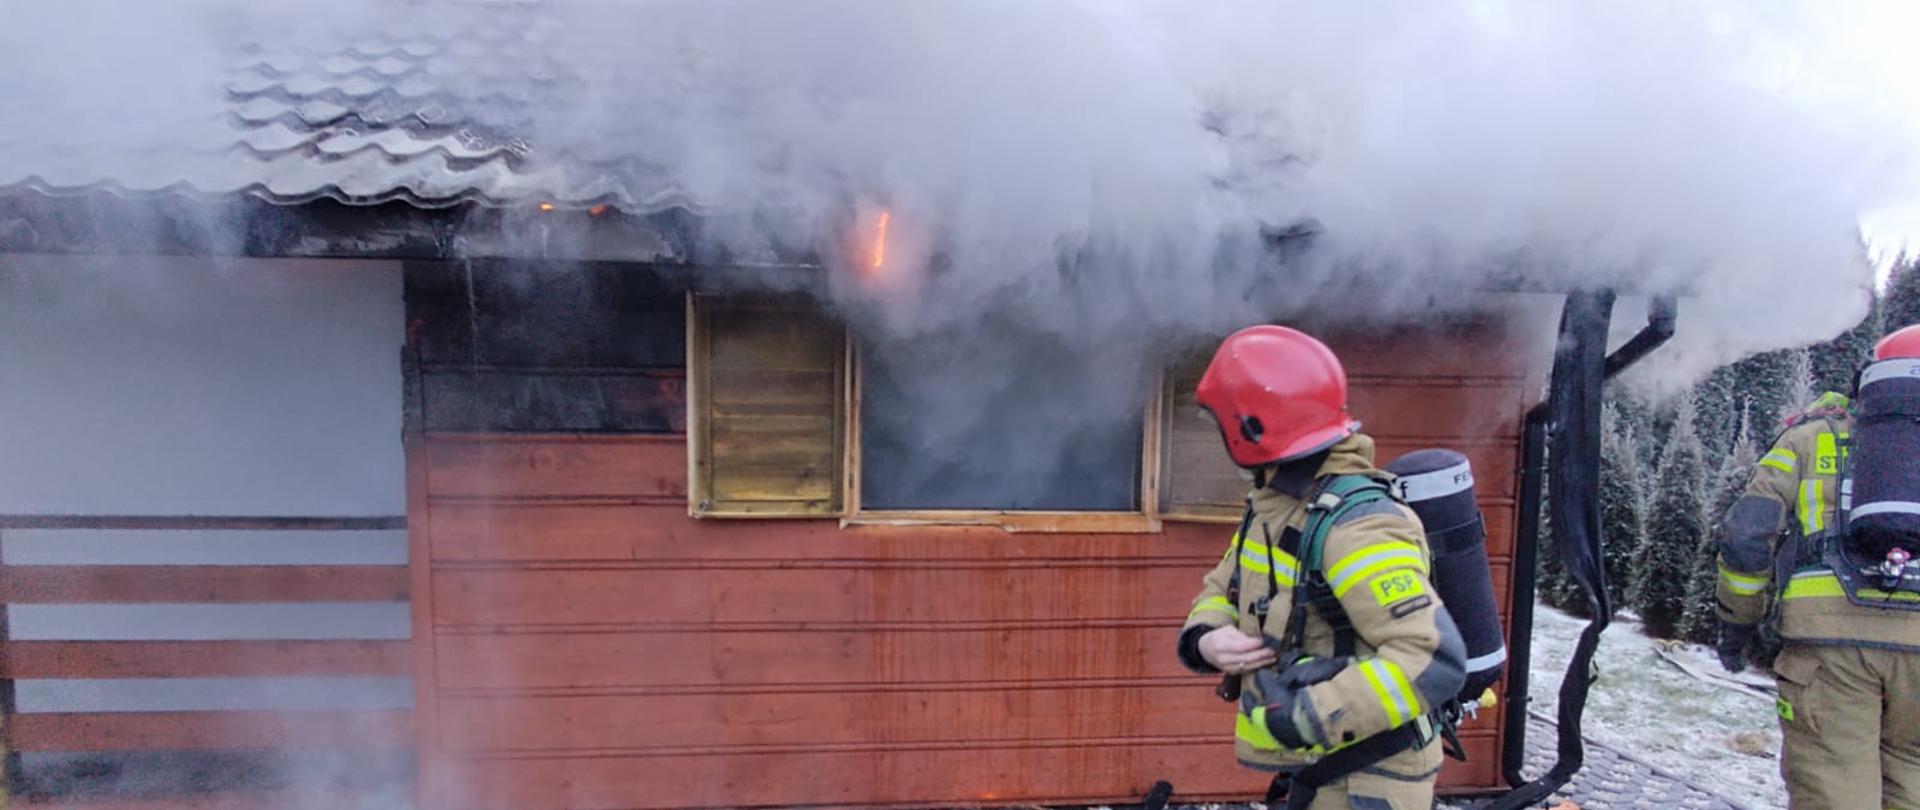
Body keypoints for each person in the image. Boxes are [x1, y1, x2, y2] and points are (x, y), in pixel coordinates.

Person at [1175, 325, 1467, 810]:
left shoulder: (1356, 526)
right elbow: (1220, 587)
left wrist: (1310, 715)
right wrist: (1207, 638)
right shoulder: (1275, 506)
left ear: (1253, 427)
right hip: (1322, 770)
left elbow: (1433, 656)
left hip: (1369, 780)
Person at [1714, 323, 1920, 810]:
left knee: (1835, 790)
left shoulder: (1809, 439)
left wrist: (1737, 624)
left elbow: (1748, 535)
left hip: (1830, 651)